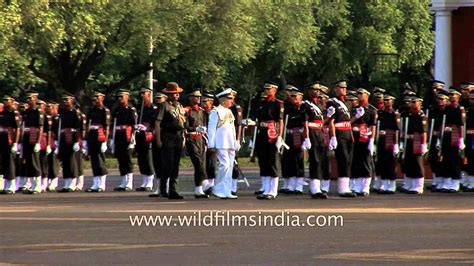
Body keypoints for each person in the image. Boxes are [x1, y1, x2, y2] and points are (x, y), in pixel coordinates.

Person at [252, 82, 285, 200]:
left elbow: (280, 121)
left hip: (272, 133)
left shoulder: (278, 104)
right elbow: (258, 120)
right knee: (263, 161)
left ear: (274, 90)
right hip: (262, 134)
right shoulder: (262, 103)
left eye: (269, 89)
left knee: (273, 161)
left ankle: (273, 190)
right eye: (265, 89)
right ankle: (266, 189)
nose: (266, 91)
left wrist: (280, 137)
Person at [155, 82, 186, 200]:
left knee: (176, 164)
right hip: (167, 136)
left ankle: (173, 190)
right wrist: (158, 139)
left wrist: (183, 136)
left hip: (178, 136)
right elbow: (158, 123)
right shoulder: (164, 105)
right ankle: (163, 188)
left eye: (177, 93)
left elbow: (182, 122)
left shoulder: (179, 106)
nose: (176, 95)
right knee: (168, 163)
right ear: (168, 94)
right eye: (174, 93)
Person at [207, 88, 239, 199]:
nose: (232, 100)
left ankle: (226, 190)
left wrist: (236, 141)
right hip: (221, 142)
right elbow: (211, 129)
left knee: (230, 166)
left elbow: (232, 129)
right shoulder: (215, 112)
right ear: (222, 100)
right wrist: (211, 145)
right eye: (229, 98)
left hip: (230, 143)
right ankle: (218, 189)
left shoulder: (229, 111)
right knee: (224, 166)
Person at [326, 80, 356, 197]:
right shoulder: (332, 102)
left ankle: (347, 186)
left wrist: (356, 117)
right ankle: (343, 188)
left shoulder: (347, 103)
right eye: (341, 88)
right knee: (343, 159)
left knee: (349, 160)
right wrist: (333, 137)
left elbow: (347, 121)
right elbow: (331, 121)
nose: (343, 89)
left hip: (348, 133)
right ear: (335, 89)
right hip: (339, 134)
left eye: (344, 88)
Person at [280, 87, 309, 195]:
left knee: (298, 159)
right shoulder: (287, 108)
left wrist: (306, 138)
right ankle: (290, 184)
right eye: (291, 96)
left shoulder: (304, 108)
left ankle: (299, 185)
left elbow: (305, 124)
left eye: (294, 96)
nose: (292, 98)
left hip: (298, 134)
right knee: (288, 159)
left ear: (300, 97)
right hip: (288, 134)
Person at [349, 88, 377, 196]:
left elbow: (373, 126)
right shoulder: (354, 109)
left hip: (365, 137)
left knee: (365, 161)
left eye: (361, 94)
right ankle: (356, 186)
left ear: (367, 95)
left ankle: (365, 186)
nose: (358, 95)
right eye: (357, 94)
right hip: (354, 137)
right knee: (355, 161)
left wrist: (372, 140)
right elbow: (348, 122)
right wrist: (356, 116)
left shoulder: (371, 109)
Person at [437, 89, 465, 192]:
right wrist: (440, 138)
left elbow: (461, 125)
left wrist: (461, 139)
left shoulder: (460, 109)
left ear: (458, 96)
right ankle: (447, 182)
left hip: (455, 136)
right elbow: (441, 124)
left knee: (454, 160)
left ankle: (455, 183)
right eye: (450, 95)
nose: (451, 96)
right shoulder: (446, 109)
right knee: (446, 160)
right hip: (446, 136)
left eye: (453, 94)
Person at [400, 96, 428, 194]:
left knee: (417, 163)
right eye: (411, 106)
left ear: (419, 105)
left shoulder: (422, 117)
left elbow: (423, 132)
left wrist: (424, 144)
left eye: (415, 107)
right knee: (408, 163)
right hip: (408, 140)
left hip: (417, 141)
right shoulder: (407, 115)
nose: (413, 109)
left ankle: (418, 186)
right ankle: (409, 184)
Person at [184, 89, 209, 198]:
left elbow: (206, 123)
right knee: (198, 162)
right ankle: (205, 182)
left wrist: (204, 130)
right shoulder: (187, 111)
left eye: (199, 97)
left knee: (202, 163)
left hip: (201, 139)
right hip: (191, 138)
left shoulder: (201, 111)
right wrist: (196, 128)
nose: (198, 99)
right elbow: (185, 126)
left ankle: (198, 190)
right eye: (195, 97)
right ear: (190, 98)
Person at [111, 89, 137, 192]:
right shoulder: (117, 109)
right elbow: (113, 124)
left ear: (127, 97)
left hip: (128, 135)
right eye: (118, 97)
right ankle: (123, 182)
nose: (119, 99)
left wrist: (132, 139)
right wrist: (112, 139)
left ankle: (129, 182)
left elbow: (134, 125)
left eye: (122, 97)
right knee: (120, 159)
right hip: (119, 135)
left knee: (127, 159)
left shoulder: (131, 109)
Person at [85, 92, 110, 192]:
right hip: (92, 136)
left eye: (97, 97)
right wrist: (86, 139)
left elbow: (107, 127)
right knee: (94, 160)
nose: (95, 99)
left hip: (100, 136)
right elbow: (88, 124)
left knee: (100, 160)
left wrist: (105, 141)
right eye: (94, 97)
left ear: (102, 98)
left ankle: (102, 184)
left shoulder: (105, 110)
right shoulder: (92, 110)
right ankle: (95, 183)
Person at [20, 92, 45, 194]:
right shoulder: (26, 112)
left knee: (35, 162)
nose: (28, 100)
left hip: (34, 137)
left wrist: (38, 142)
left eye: (30, 98)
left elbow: (41, 128)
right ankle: (30, 185)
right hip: (26, 137)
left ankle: (38, 185)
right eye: (27, 98)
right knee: (28, 162)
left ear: (35, 99)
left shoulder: (38, 112)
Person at [57, 93, 82, 193]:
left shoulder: (75, 113)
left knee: (72, 161)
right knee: (65, 160)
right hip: (63, 137)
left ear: (72, 100)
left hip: (72, 137)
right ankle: (67, 182)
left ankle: (73, 182)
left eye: (66, 100)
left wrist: (76, 141)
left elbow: (78, 128)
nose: (64, 102)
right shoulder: (62, 112)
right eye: (63, 100)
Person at [375, 95, 400, 194]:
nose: (386, 102)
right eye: (384, 100)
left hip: (390, 139)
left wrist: (397, 144)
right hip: (381, 139)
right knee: (382, 162)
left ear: (392, 102)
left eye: (388, 100)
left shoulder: (395, 114)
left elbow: (397, 130)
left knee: (390, 163)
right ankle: (384, 184)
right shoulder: (380, 113)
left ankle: (392, 184)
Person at [135, 88, 157, 192]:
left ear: (149, 94)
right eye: (141, 93)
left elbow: (155, 123)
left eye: (144, 93)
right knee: (141, 158)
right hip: (140, 135)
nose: (142, 95)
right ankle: (144, 181)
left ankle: (150, 182)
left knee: (148, 158)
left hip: (148, 135)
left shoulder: (153, 108)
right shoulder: (139, 107)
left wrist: (147, 128)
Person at [0, 95, 20, 194]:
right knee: (4, 162)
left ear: (12, 101)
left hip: (10, 139)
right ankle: (6, 184)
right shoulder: (2, 113)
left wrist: (15, 143)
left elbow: (17, 129)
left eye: (7, 100)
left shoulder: (14, 113)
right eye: (4, 100)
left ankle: (12, 185)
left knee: (10, 162)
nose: (5, 101)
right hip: (3, 139)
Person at [149, 92, 168, 197]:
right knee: (157, 162)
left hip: (166, 137)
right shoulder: (154, 110)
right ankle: (159, 187)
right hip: (156, 137)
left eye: (159, 98)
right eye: (156, 98)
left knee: (167, 163)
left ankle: (167, 186)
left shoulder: (169, 109)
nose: (157, 100)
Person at [202, 93, 217, 194]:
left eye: (205, 101)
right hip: (202, 139)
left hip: (213, 140)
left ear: (211, 102)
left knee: (212, 163)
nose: (203, 104)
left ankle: (212, 184)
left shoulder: (215, 112)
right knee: (203, 162)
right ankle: (205, 184)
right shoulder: (201, 112)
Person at [46, 102, 60, 191]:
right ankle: (48, 179)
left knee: (53, 160)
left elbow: (58, 131)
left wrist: (57, 142)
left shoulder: (57, 118)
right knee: (47, 161)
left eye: (50, 107)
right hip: (47, 141)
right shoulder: (47, 117)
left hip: (54, 141)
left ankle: (54, 180)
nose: (48, 109)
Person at [462, 90, 474, 191]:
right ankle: (469, 182)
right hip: (468, 136)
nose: (471, 100)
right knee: (468, 159)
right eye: (470, 98)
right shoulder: (468, 109)